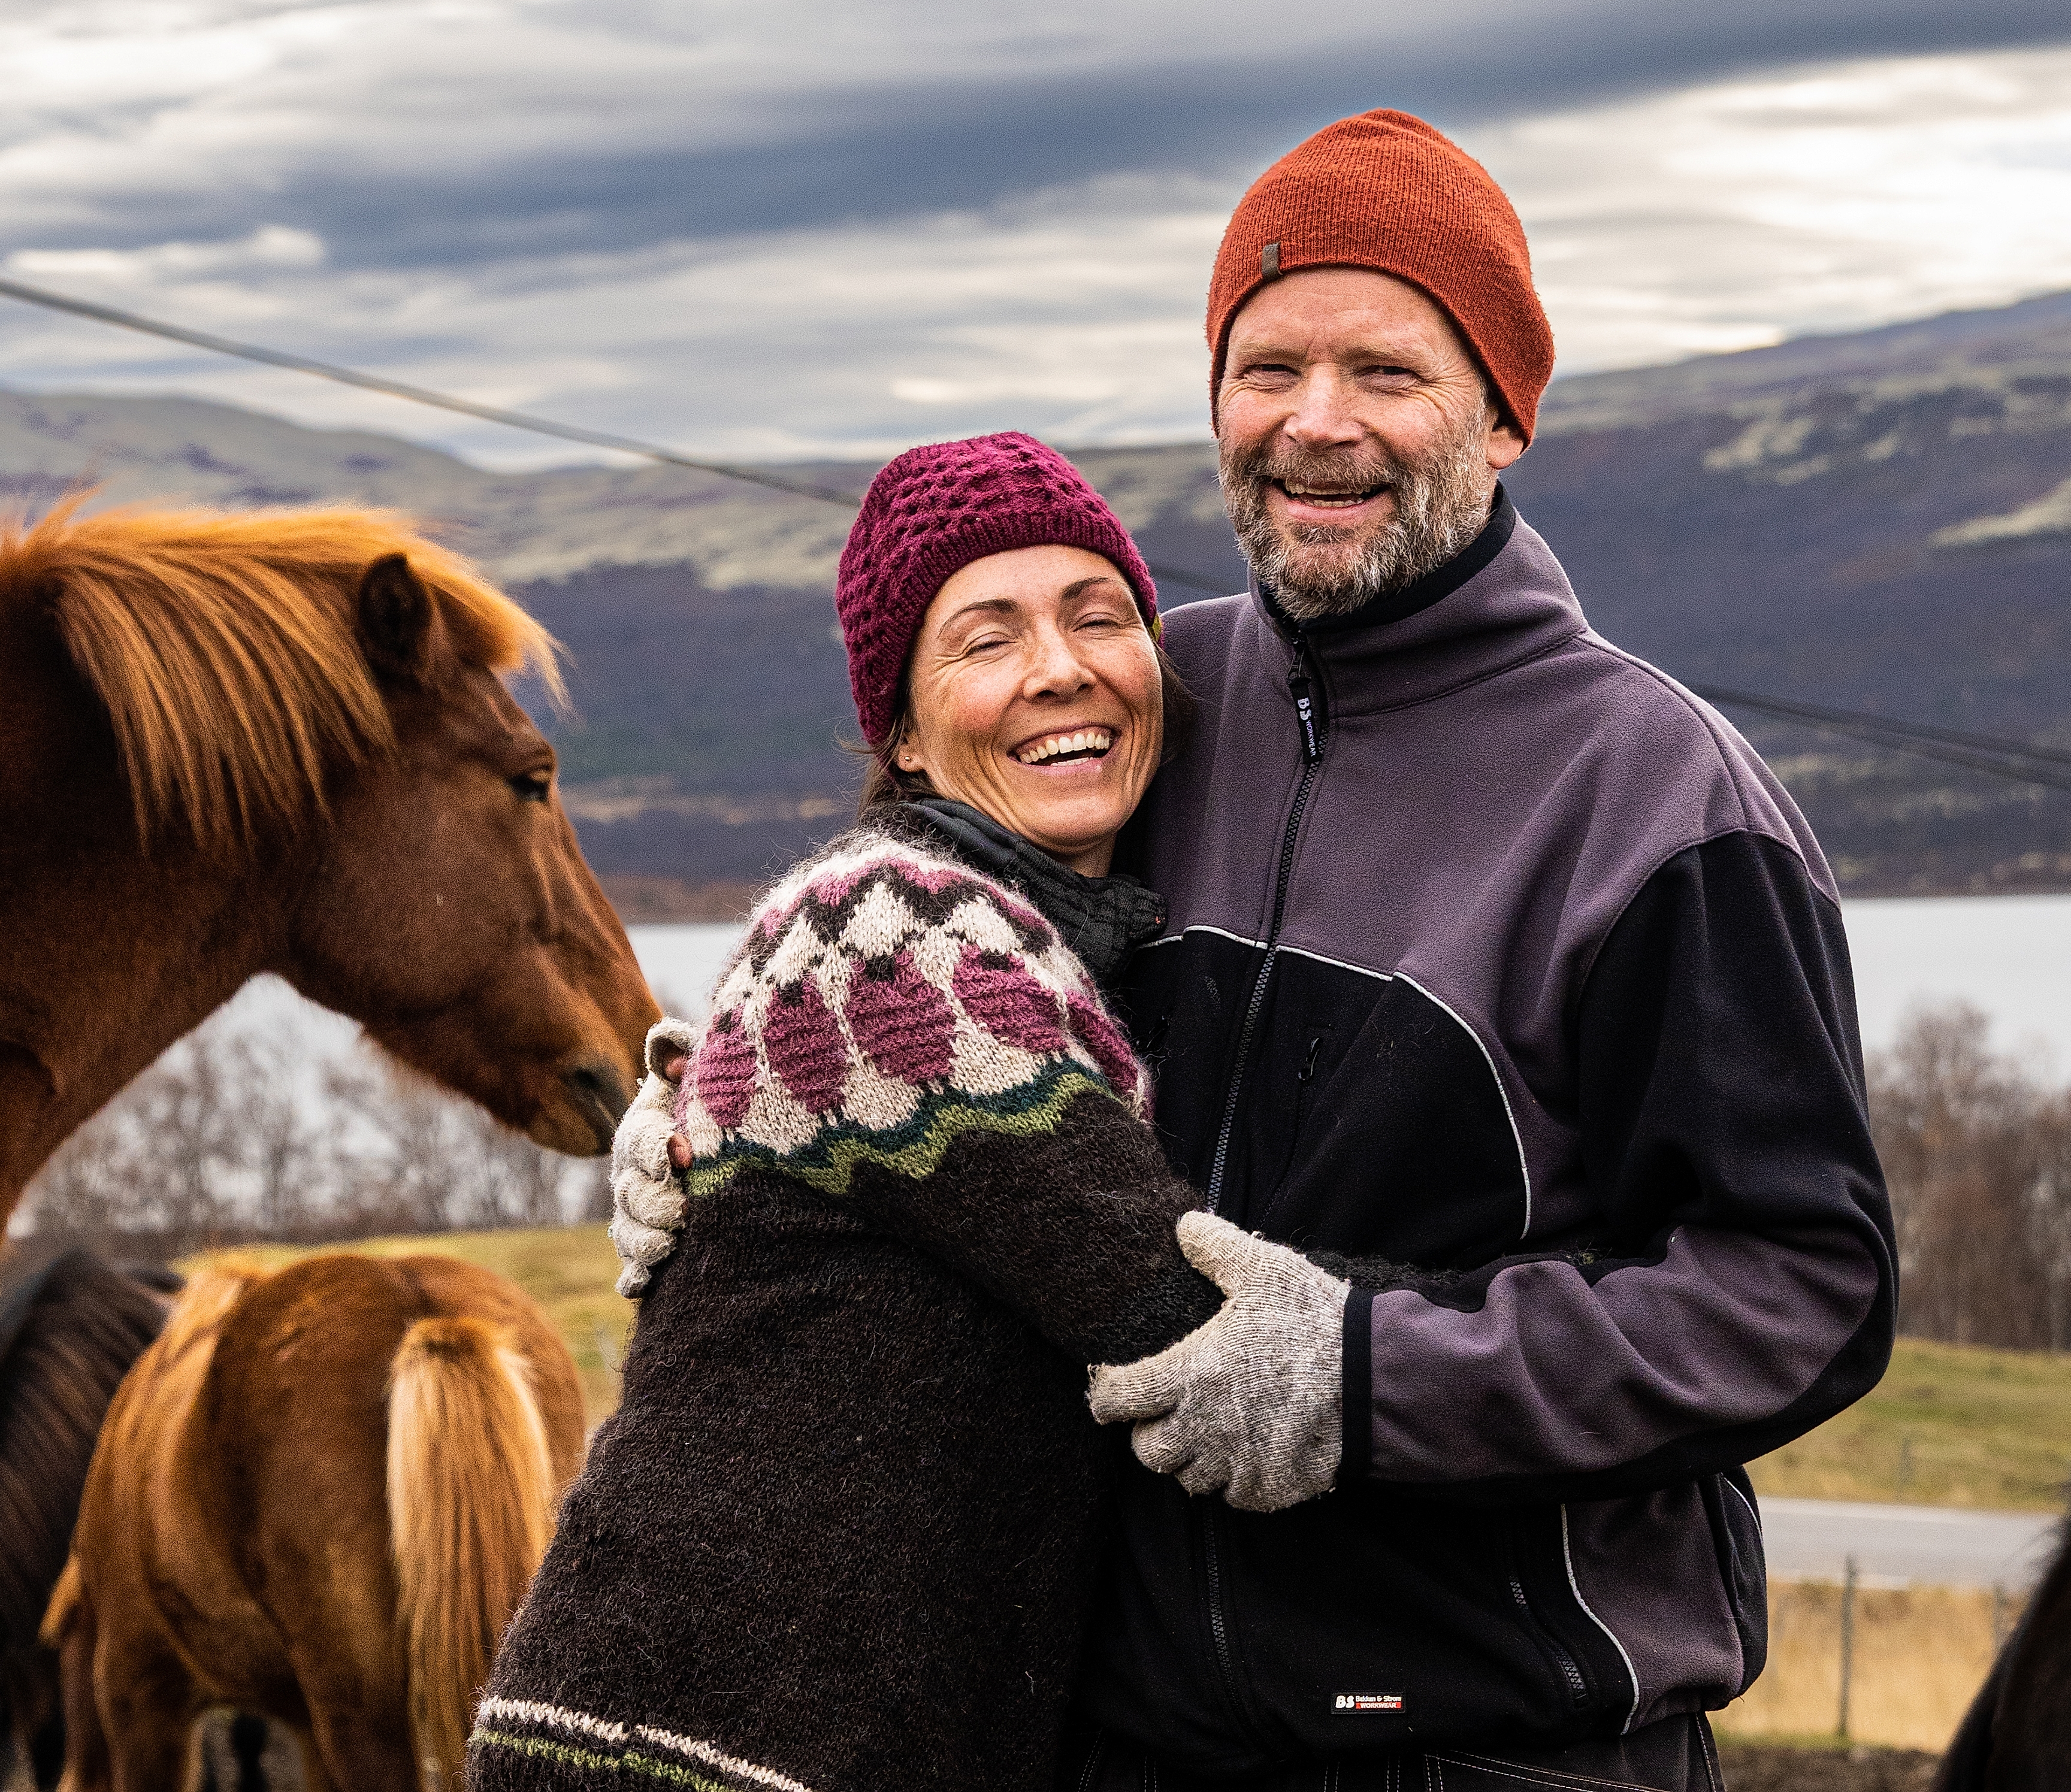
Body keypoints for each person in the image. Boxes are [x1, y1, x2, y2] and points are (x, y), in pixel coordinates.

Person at [1060, 111, 1895, 1791]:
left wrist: (1367, 1382)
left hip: (1503, 1752)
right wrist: (741, 1122)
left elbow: (1801, 1288)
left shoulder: (1655, 797)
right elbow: (939, 962)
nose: (1315, 424)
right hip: (1127, 1735)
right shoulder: (1151, 698)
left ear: (1506, 414)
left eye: (1386, 369)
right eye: (1265, 364)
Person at [469, 434, 1233, 1792]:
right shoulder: (880, 934)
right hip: (691, 1757)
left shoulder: (1046, 941)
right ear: (900, 727)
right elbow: (1177, 1315)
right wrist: (1544, 1329)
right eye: (985, 637)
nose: (1060, 666)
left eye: (1098, 613)